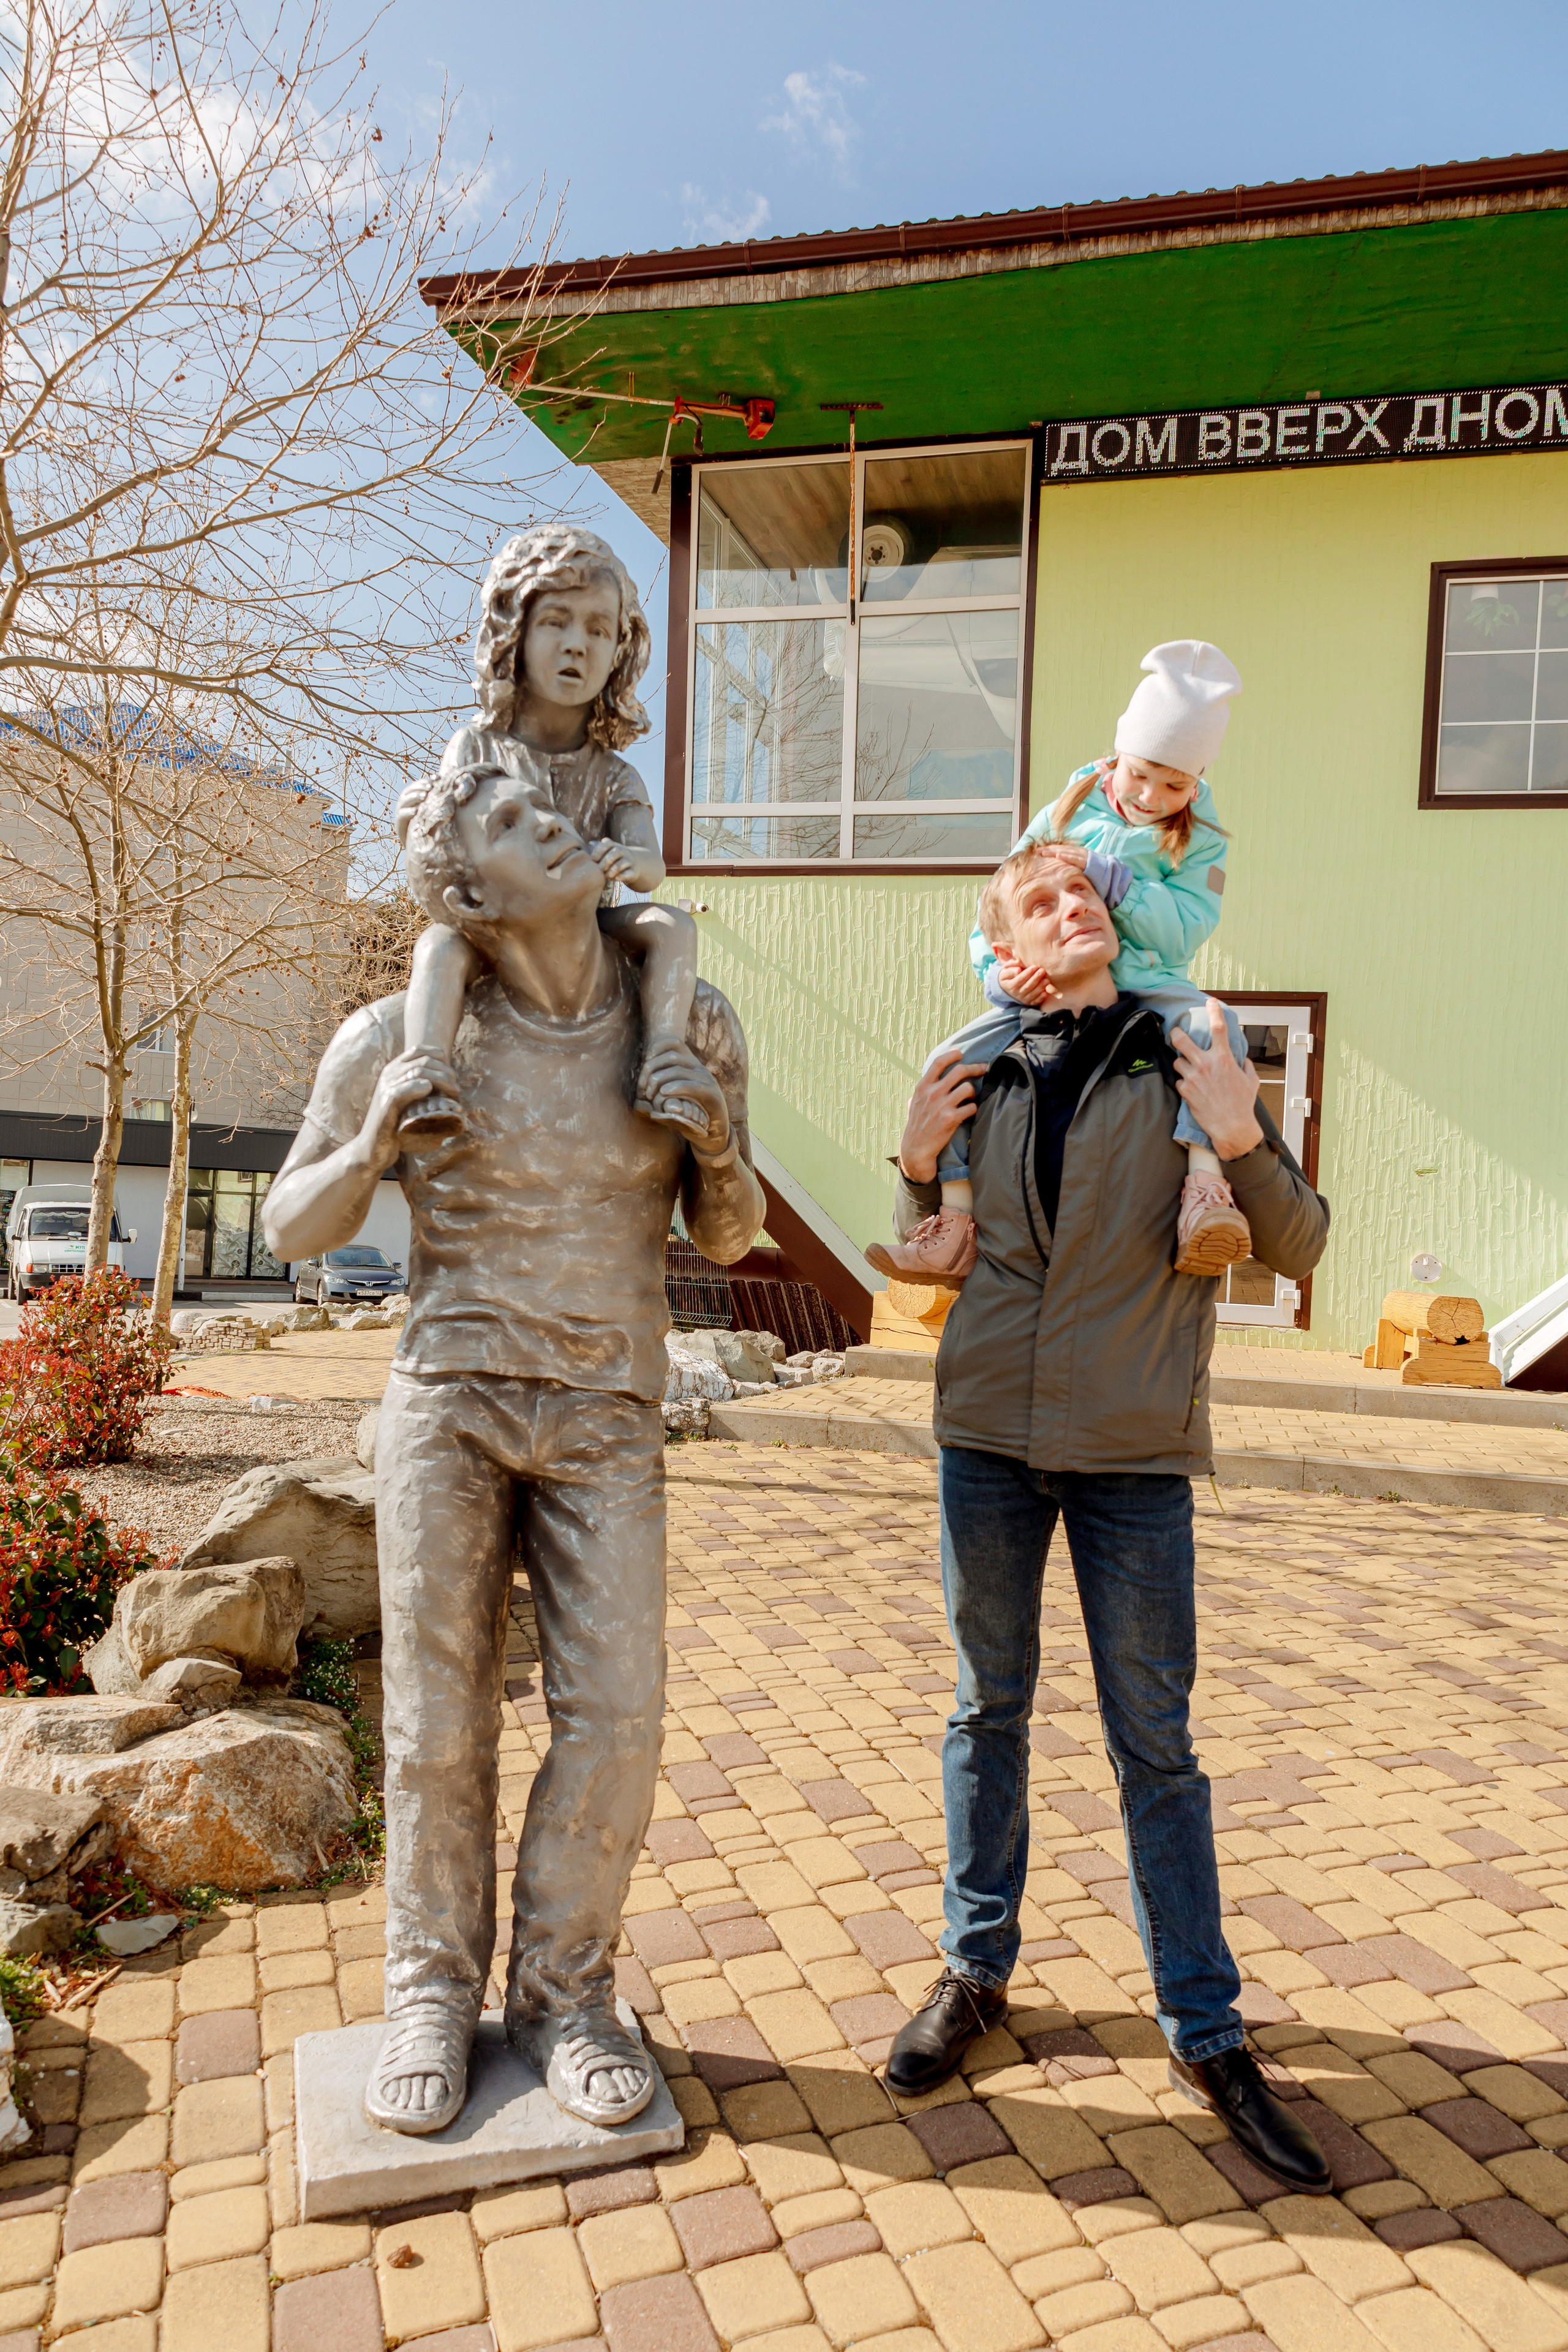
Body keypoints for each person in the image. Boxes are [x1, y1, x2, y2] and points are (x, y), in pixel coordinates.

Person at [262, 767, 764, 2141]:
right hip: (453, 1404)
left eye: (551, 808)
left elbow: (729, 1233)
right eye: (510, 822)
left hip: (607, 1412)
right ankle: (429, 1991)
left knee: (617, 1716)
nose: (554, 816)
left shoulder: (686, 1017)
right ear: (469, 892)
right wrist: (372, 1141)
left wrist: (715, 1147)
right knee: (437, 1723)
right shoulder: (398, 1031)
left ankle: (564, 1995)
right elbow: (291, 1227)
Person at [880, 839, 1334, 2197]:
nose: (1070, 906)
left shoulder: (1184, 1048)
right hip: (986, 1447)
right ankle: (973, 1973)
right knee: (983, 1712)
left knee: (1156, 1746)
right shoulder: (977, 1063)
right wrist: (911, 1164)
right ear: (1003, 938)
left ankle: (1203, 2029)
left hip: (1135, 1457)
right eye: (1039, 898)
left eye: (1085, 891)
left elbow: (1300, 1248)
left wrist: (1244, 1134)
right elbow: (926, 1245)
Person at [867, 641, 1251, 1286]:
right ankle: (954, 1221)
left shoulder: (1198, 838)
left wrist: (1114, 878)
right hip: (1042, 993)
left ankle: (1205, 1193)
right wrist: (997, 973)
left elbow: (1190, 927)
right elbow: (1002, 901)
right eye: (1141, 774)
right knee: (947, 1065)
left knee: (1218, 1030)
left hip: (1150, 982)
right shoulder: (1067, 810)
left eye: (1175, 783)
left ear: (1198, 780)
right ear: (1118, 755)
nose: (1153, 796)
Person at [398, 526, 697, 1139]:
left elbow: (653, 867)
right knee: (440, 944)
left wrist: (627, 859)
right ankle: (425, 1067)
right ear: (515, 632)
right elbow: (446, 847)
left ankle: (663, 1057)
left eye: (597, 629)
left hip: (588, 931)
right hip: (501, 932)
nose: (576, 646)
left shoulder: (615, 775)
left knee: (672, 925)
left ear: (621, 648)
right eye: (557, 621)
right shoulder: (477, 747)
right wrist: (413, 822)